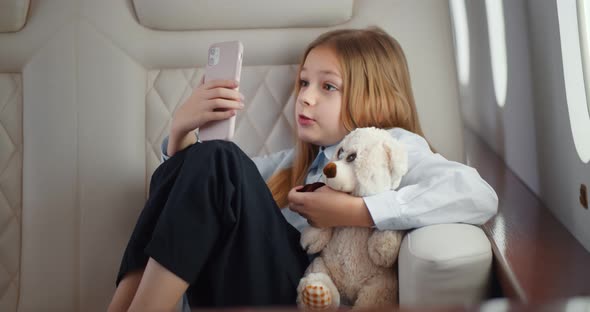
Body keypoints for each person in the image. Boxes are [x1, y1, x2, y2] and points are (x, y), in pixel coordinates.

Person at [108, 26, 498, 312]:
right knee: (196, 163)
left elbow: (476, 194)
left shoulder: (394, 145)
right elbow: (196, 194)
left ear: (376, 99)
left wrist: (358, 212)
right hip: (247, 285)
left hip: (308, 291)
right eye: (304, 82)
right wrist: (180, 131)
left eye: (327, 87)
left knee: (218, 159)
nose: (305, 98)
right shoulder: (295, 164)